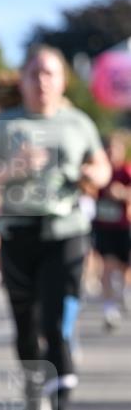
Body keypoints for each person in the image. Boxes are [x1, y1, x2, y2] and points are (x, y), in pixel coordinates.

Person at [0, 45, 111, 410]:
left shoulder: (77, 123)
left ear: (63, 81)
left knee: (55, 325)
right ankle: (34, 391)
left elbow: (100, 165)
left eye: (50, 73)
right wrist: (11, 168)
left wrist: (92, 173)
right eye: (35, 73)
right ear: (24, 79)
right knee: (26, 330)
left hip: (66, 233)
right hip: (18, 233)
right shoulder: (3, 124)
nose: (42, 81)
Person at [92, 132, 131, 330]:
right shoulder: (100, 172)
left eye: (116, 150)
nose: (112, 153)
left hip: (125, 227)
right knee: (106, 267)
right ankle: (109, 309)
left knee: (125, 269)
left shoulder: (126, 171)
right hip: (104, 227)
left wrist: (122, 194)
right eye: (109, 150)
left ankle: (124, 293)